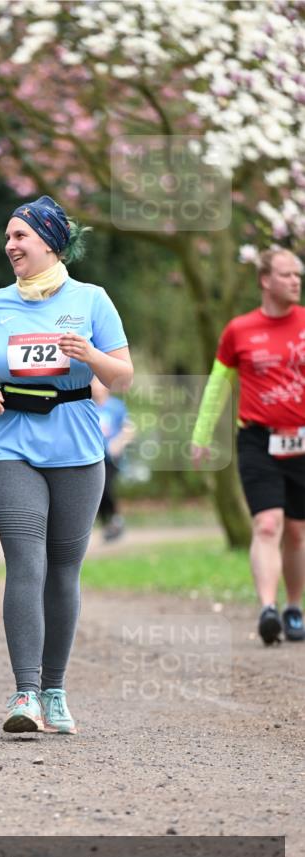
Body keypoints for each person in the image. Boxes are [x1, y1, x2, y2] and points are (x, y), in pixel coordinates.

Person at [0, 195, 133, 734]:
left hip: (79, 449)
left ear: (51, 242)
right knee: (26, 562)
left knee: (63, 569)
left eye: (20, 236)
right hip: (9, 445)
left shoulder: (93, 300)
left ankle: (55, 692)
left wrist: (91, 356)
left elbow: (122, 376)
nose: (9, 245)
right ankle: (25, 695)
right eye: (8, 237)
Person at [191, 248, 305, 645]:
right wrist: (202, 435)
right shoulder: (239, 330)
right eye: (287, 274)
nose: (295, 280)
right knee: (268, 523)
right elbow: (218, 384)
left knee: (295, 532)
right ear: (265, 280)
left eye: (298, 275)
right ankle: (267, 609)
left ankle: (293, 608)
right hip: (258, 439)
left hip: (303, 439)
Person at [91, 376, 135, 541]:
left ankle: (116, 520)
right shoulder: (88, 406)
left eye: (98, 383)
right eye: (93, 383)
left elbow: (129, 430)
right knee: (97, 491)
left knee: (106, 487)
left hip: (113, 459)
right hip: (96, 457)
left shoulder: (116, 406)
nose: (96, 387)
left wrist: (117, 444)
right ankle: (108, 525)